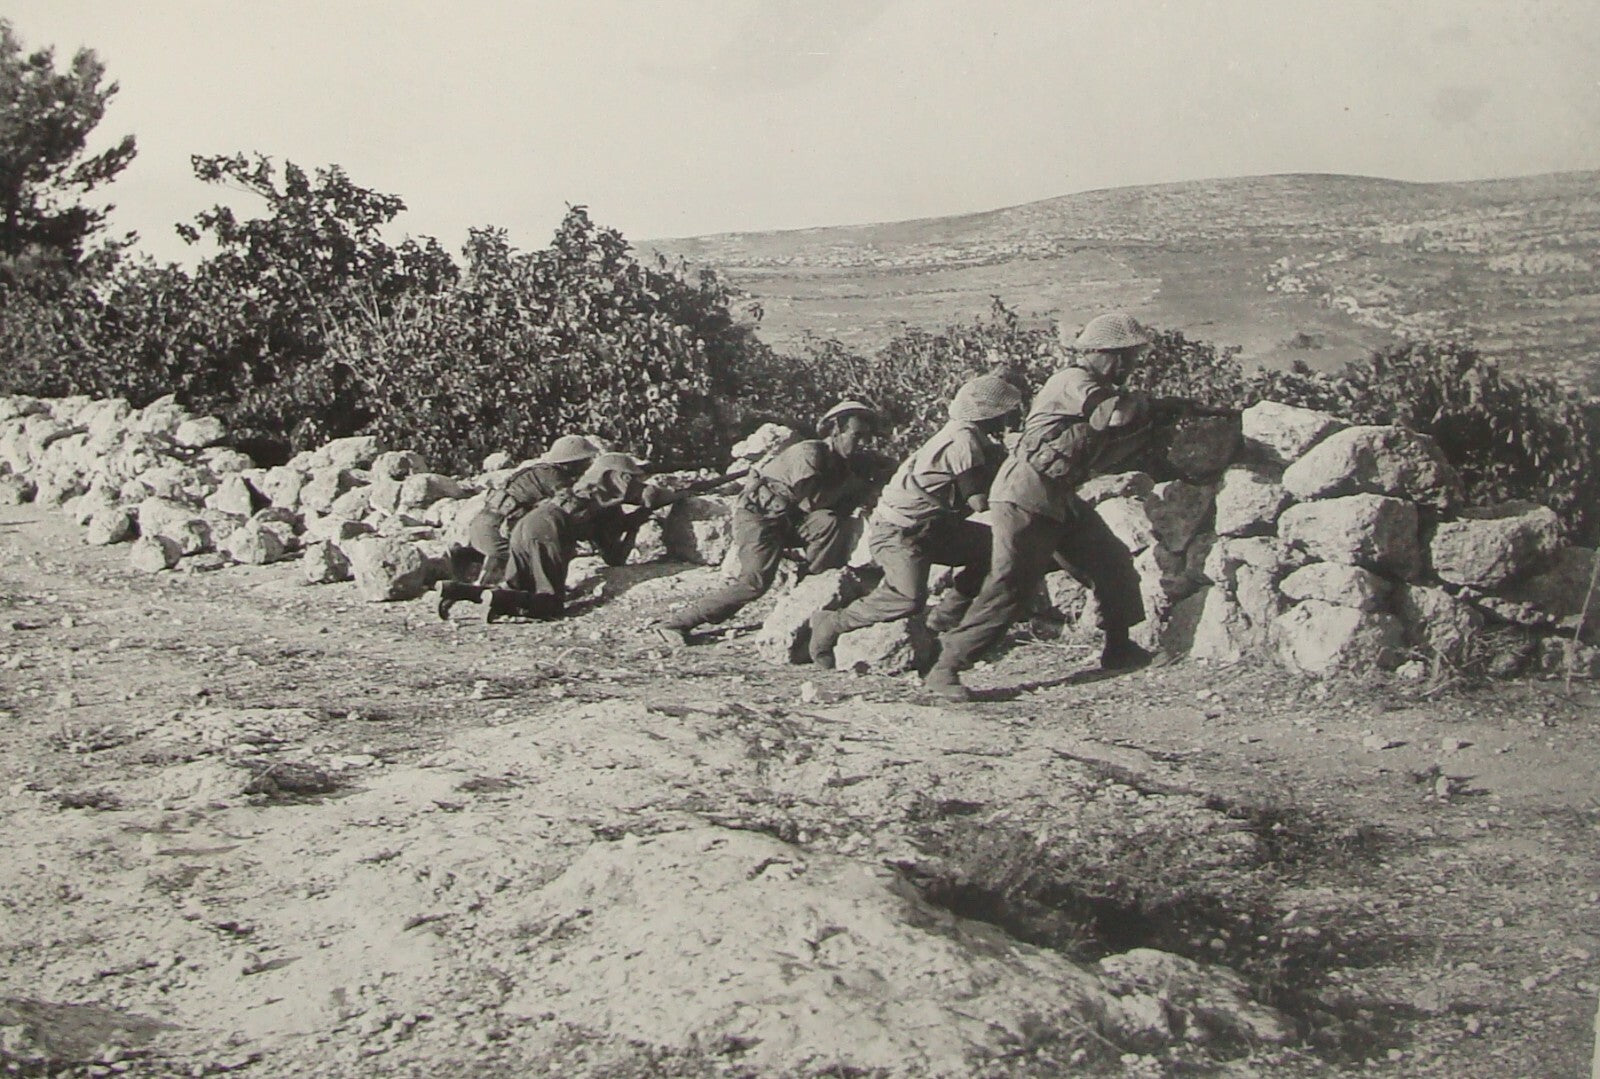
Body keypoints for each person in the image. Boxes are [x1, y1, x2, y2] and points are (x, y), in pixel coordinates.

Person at [924, 312, 1158, 701]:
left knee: (1112, 561)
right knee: (1011, 584)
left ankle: (1118, 647)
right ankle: (945, 667)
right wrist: (1142, 403)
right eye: (1126, 356)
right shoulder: (1074, 380)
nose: (1130, 365)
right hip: (1026, 495)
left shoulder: (1099, 386)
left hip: (1059, 497)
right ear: (1104, 353)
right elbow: (1115, 415)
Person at [805, 374, 1022, 668]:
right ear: (990, 414)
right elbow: (979, 502)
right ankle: (832, 623)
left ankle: (943, 619)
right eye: (1006, 413)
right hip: (899, 531)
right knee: (907, 598)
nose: (1010, 419)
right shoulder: (963, 440)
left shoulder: (970, 435)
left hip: (933, 525)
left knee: (994, 552)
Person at [651, 400, 880, 647]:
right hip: (759, 518)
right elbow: (812, 501)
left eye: (866, 437)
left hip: (789, 520)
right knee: (754, 583)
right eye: (857, 436)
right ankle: (677, 623)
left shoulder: (842, 462)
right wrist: (857, 487)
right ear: (836, 429)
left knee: (829, 522)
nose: (863, 443)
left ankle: (809, 591)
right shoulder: (810, 452)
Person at [438, 452, 662, 621]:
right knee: (552, 604)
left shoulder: (581, 491)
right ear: (620, 478)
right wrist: (638, 521)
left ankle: (458, 591)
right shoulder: (608, 507)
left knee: (517, 588)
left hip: (525, 525)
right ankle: (496, 599)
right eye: (632, 479)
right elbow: (614, 558)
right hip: (547, 529)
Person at [455, 435, 599, 587]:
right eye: (586, 461)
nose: (588, 466)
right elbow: (571, 509)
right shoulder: (553, 477)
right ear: (571, 463)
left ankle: (488, 585)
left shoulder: (538, 472)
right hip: (497, 531)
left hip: (481, 528)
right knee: (547, 553)